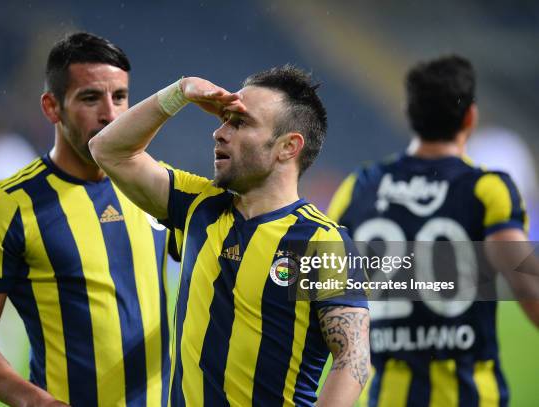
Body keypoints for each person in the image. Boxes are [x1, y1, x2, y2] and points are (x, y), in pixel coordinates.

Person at [89, 65, 370, 406]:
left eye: (240, 122)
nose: (219, 133)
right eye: (223, 120)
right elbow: (109, 149)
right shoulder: (198, 206)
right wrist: (181, 91)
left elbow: (352, 359)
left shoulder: (320, 241)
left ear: (288, 147)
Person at [0, 32, 174, 407]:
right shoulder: (10, 206)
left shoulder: (158, 186)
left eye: (120, 96)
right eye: (90, 97)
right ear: (52, 107)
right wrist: (36, 401)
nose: (110, 113)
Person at [327, 55, 539, 406]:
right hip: (470, 397)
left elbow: (323, 288)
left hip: (388, 398)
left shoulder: (359, 187)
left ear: (410, 115)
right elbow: (529, 286)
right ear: (470, 116)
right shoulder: (488, 189)